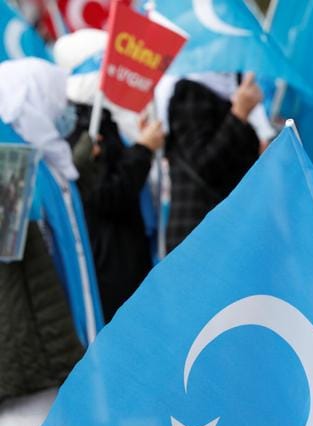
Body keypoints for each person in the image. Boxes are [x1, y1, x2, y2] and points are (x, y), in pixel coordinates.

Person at [0, 58, 87, 426]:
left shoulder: (35, 161)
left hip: (34, 337)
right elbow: (14, 256)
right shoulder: (10, 162)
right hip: (23, 342)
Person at [54, 29, 165, 320]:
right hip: (110, 261)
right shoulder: (83, 128)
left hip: (121, 253)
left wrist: (139, 144)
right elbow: (107, 194)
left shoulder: (97, 120)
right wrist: (143, 149)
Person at [163, 72, 263, 251]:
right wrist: (239, 114)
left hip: (230, 232)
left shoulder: (230, 100)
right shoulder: (191, 93)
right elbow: (205, 165)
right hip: (198, 234)